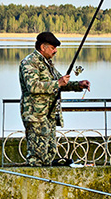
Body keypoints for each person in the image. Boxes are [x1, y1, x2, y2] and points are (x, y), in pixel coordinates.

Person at [19, 32, 90, 166]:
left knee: (50, 153)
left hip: (49, 115)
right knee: (37, 156)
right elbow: (32, 86)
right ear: (42, 47)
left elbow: (61, 82)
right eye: (52, 48)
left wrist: (78, 85)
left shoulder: (47, 64)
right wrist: (57, 83)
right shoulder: (29, 63)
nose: (55, 51)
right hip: (35, 116)